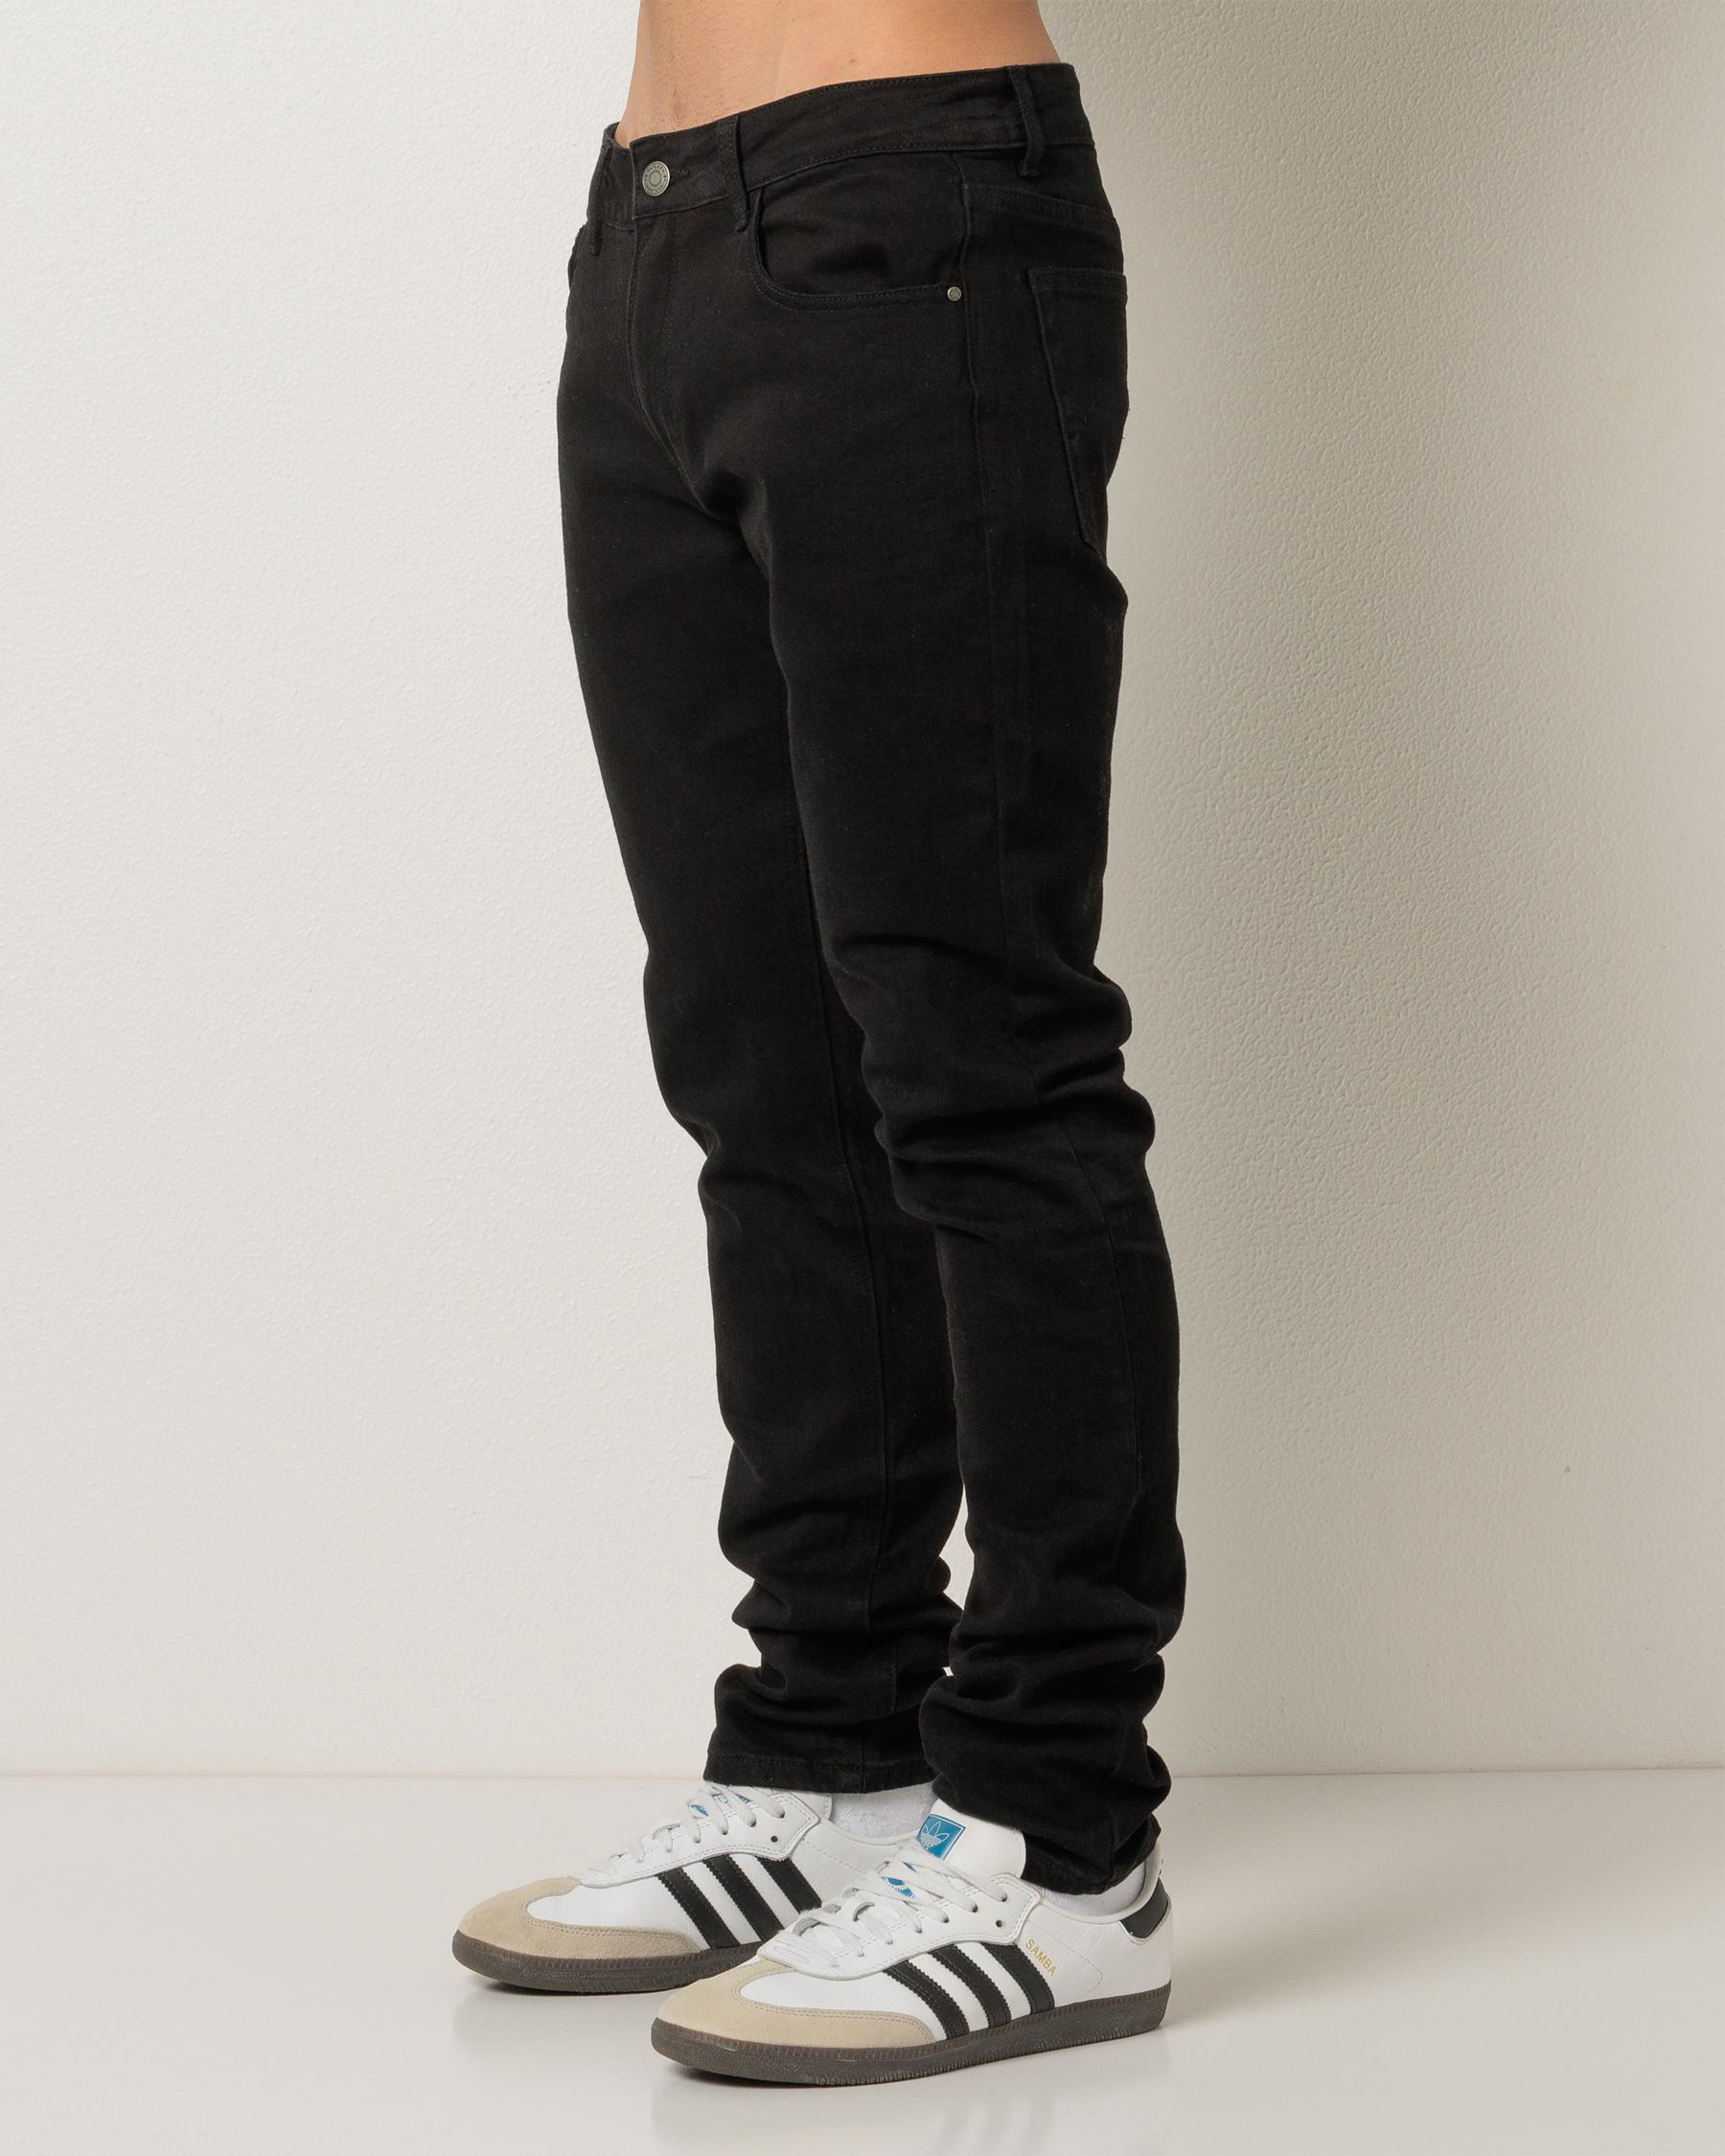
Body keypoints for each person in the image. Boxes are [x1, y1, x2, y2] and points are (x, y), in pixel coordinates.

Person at [452, 0, 1184, 2084]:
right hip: (651, 233)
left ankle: (1062, 1838)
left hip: (913, 203)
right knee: (762, 1070)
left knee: (982, 1054)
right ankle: (836, 1739)